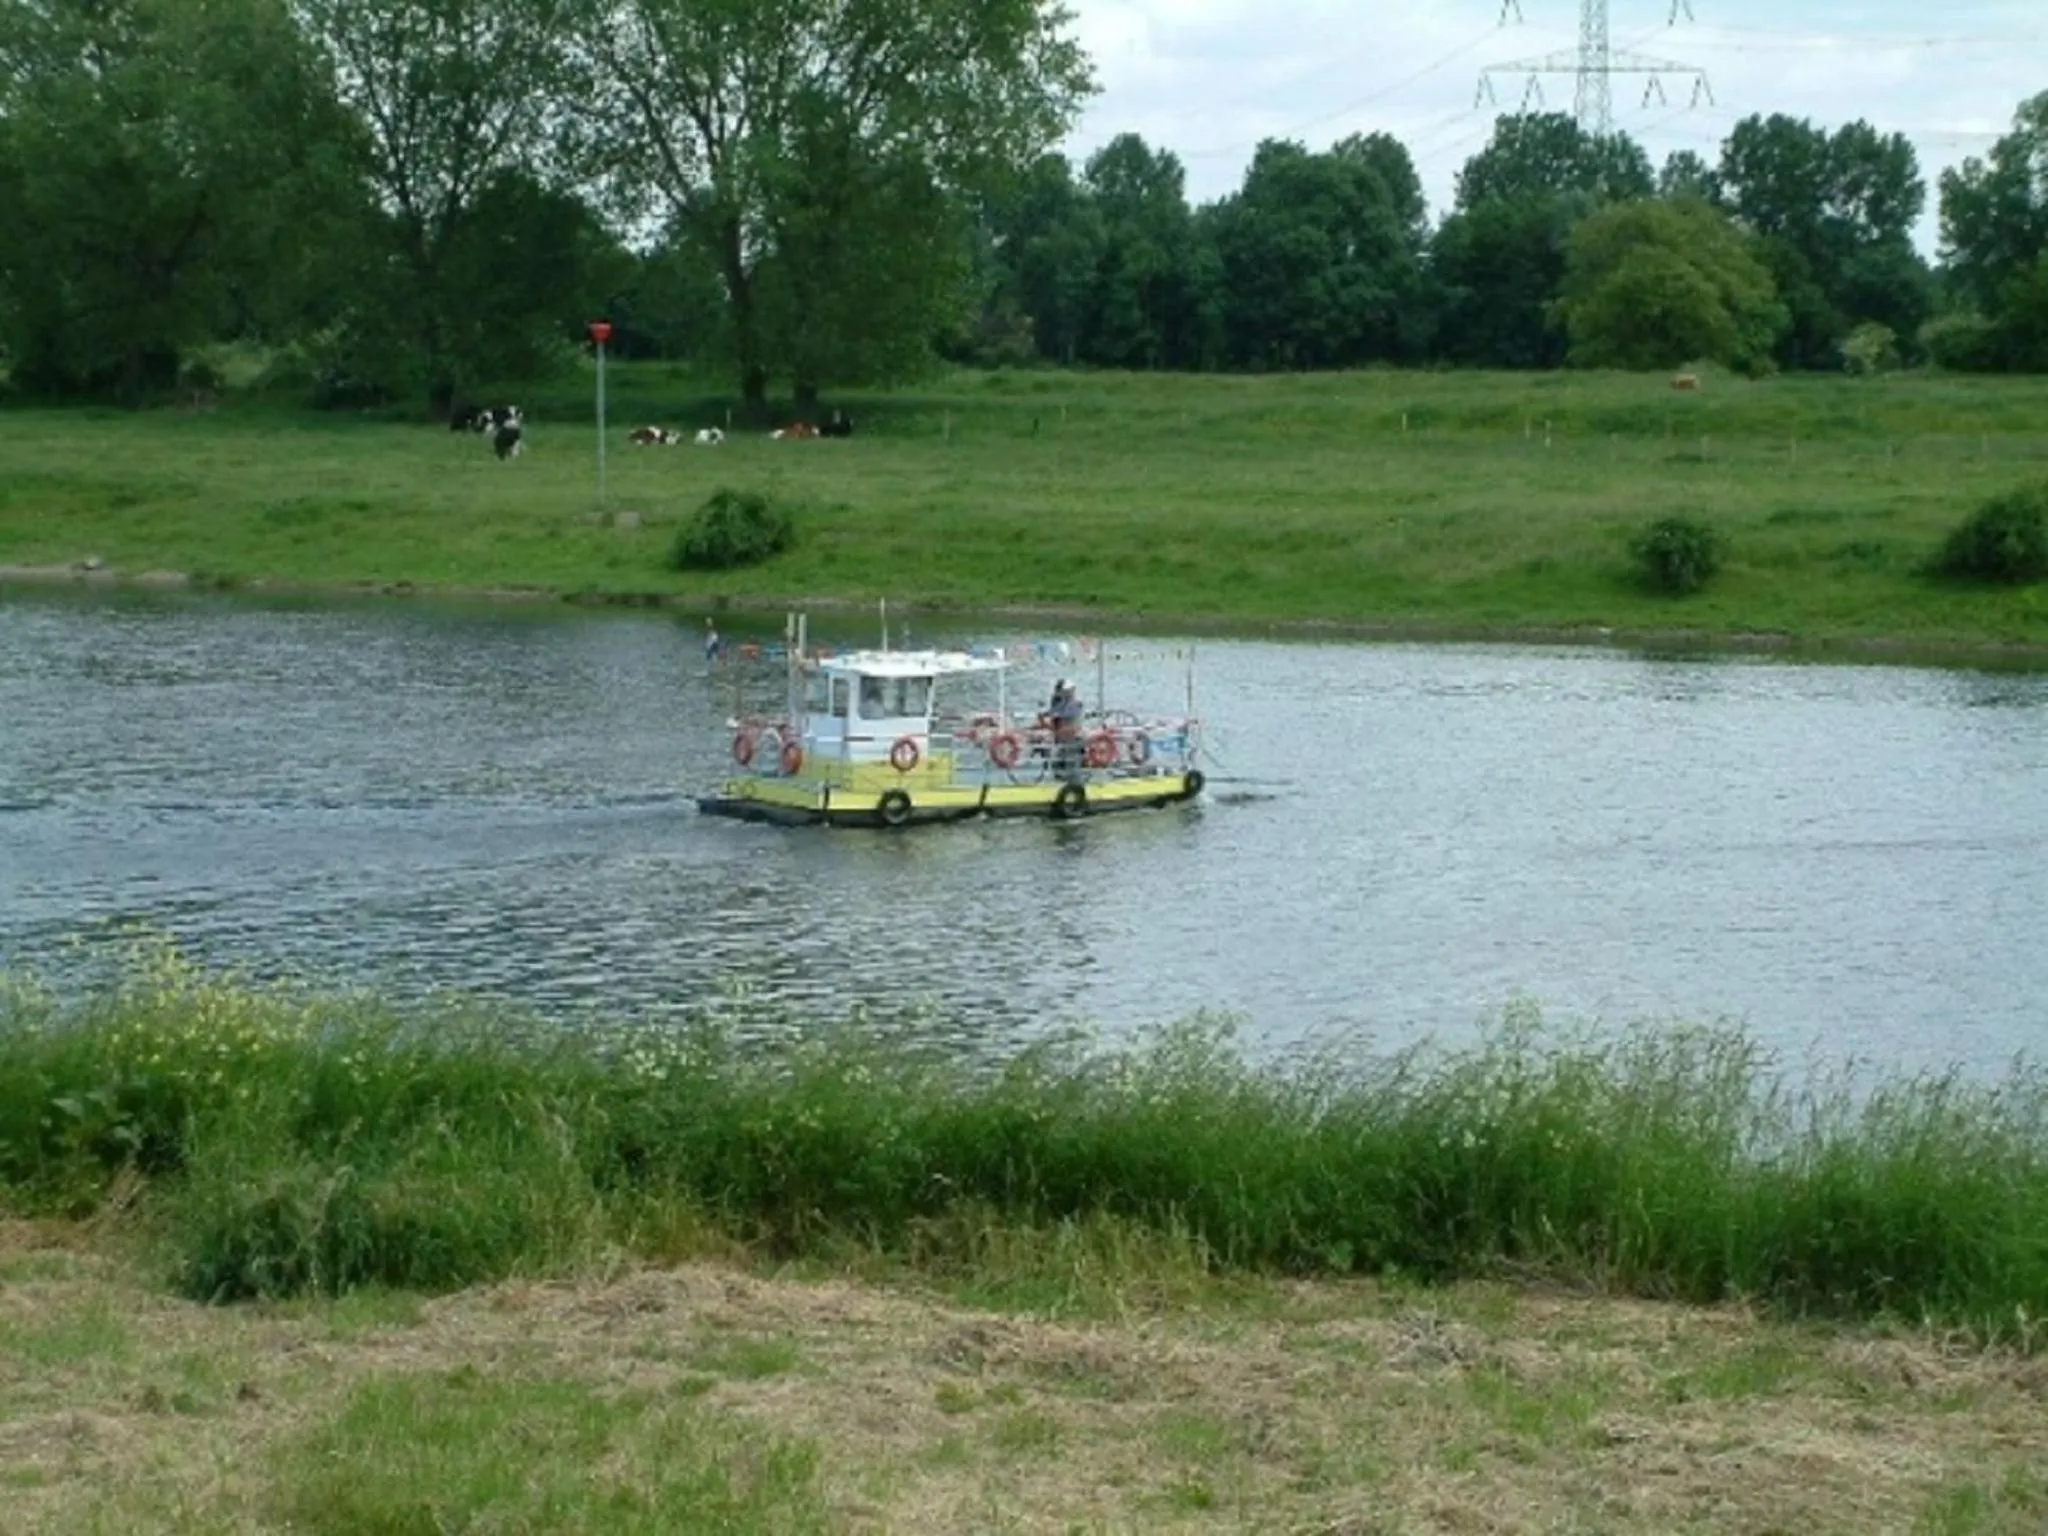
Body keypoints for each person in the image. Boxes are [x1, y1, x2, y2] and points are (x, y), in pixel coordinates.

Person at [1047, 678, 1083, 775]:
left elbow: (1065, 714)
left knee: (1068, 750)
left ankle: (1068, 769)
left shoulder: (1076, 703)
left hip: (1070, 732)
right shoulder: (1058, 700)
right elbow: (1054, 713)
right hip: (1062, 730)